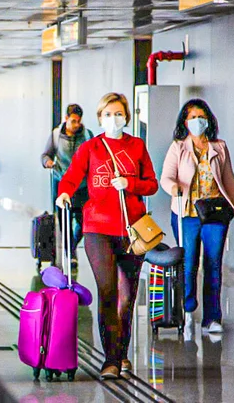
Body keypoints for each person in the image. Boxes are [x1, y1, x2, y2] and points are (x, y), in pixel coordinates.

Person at [56, 92, 158, 379]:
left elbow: (152, 185)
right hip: (97, 228)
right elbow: (73, 176)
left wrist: (130, 183)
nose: (114, 119)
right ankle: (110, 360)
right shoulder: (91, 147)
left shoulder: (137, 146)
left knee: (127, 297)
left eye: (118, 113)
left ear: (126, 116)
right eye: (107, 114)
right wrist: (64, 193)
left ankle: (121, 352)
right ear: (99, 118)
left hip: (132, 230)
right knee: (108, 292)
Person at [160, 98, 234, 335]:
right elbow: (166, 177)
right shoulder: (178, 147)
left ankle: (212, 318)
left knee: (213, 263)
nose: (197, 121)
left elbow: (229, 180)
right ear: (185, 122)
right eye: (192, 117)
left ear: (208, 119)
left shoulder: (219, 147)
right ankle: (188, 310)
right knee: (188, 264)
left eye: (201, 116)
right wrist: (174, 187)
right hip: (187, 213)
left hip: (214, 213)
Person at [41, 104, 94, 266]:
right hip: (62, 182)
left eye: (79, 121)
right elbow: (45, 154)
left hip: (82, 185)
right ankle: (70, 254)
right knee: (65, 220)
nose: (76, 124)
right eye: (73, 121)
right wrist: (47, 162)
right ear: (66, 118)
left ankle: (71, 246)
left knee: (84, 222)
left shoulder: (87, 135)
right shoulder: (56, 135)